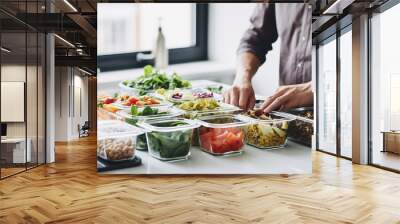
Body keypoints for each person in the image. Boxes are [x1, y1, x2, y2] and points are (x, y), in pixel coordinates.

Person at [223, 3, 313, 113]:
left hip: (334, 110)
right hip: (287, 112)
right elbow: (255, 38)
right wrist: (243, 77)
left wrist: (314, 88)